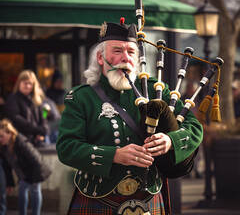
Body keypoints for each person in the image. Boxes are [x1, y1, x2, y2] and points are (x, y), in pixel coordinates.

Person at [56, 20, 203, 215]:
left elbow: (193, 128)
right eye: (117, 51)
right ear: (101, 58)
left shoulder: (155, 90)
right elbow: (66, 147)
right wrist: (114, 155)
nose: (125, 58)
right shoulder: (81, 97)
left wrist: (170, 140)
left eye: (131, 52)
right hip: (97, 198)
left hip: (148, 198)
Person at [0, 119, 52, 215]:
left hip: (35, 171)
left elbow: (36, 161)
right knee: (22, 192)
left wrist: (34, 179)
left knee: (35, 191)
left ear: (10, 134)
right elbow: (7, 166)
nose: (0, 139)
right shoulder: (4, 147)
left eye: (2, 136)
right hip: (24, 174)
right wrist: (10, 183)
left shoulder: (21, 142)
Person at [6, 70, 49, 147]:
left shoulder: (37, 100)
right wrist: (36, 130)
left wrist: (43, 130)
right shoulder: (13, 98)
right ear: (19, 83)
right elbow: (16, 118)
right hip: (21, 141)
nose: (28, 86)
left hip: (37, 140)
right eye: (25, 83)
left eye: (30, 84)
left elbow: (44, 116)